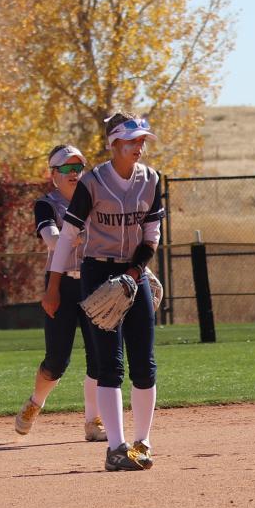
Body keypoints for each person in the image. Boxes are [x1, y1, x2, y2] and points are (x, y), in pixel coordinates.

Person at [62, 114, 165, 471]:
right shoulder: (92, 182)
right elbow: (68, 235)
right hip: (98, 270)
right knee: (109, 364)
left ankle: (142, 442)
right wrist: (53, 282)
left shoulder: (151, 180)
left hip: (134, 271)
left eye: (142, 141)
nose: (140, 146)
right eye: (133, 141)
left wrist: (136, 272)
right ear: (114, 144)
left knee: (145, 363)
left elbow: (152, 237)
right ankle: (115, 448)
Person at [12, 144, 114, 442]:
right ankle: (35, 403)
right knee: (56, 361)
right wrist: (89, 238)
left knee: (99, 358)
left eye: (78, 168)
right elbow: (53, 240)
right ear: (53, 174)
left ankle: (93, 421)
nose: (74, 174)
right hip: (61, 285)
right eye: (67, 168)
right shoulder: (47, 204)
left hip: (94, 284)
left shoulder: (97, 201)